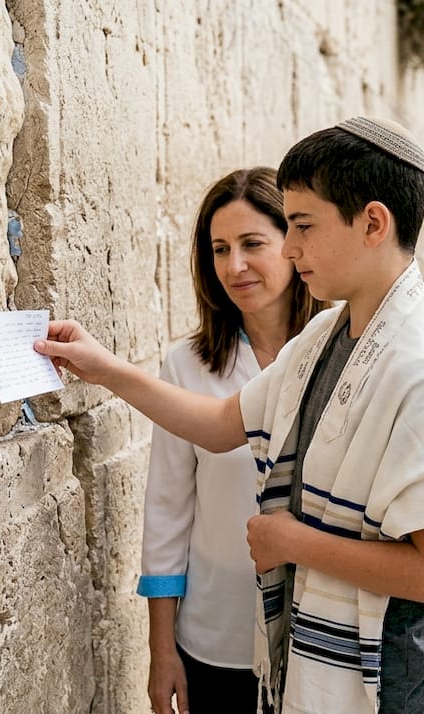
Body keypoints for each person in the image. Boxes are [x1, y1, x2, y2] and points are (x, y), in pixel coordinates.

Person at [36, 116, 424, 714]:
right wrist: (105, 369)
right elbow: (224, 423)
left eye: (301, 226)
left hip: (396, 685)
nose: (290, 247)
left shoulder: (421, 367)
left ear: (373, 223)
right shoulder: (331, 334)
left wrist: (294, 541)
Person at [138, 167, 325, 714]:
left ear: (293, 245)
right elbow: (167, 511)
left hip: (325, 638)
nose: (234, 266)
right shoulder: (187, 366)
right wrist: (160, 650)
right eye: (220, 249)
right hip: (216, 641)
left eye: (252, 244)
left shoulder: (341, 352)